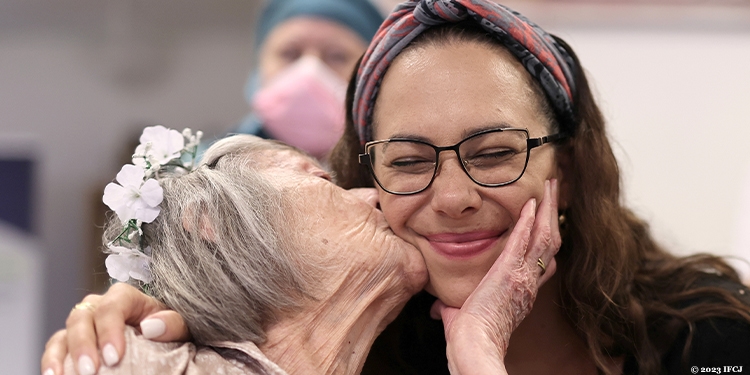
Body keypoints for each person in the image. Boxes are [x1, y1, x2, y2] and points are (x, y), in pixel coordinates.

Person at [43, 0, 750, 374]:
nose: (451, 196)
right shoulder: (364, 346)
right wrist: (165, 313)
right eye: (410, 161)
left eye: (495, 151)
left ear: (565, 173)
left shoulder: (711, 335)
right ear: (368, 177)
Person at [234, 0, 383, 161]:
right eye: (290, 53)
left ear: (373, 72)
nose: (309, 70)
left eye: (336, 55)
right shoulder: (209, 169)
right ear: (259, 64)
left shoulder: (398, 168)